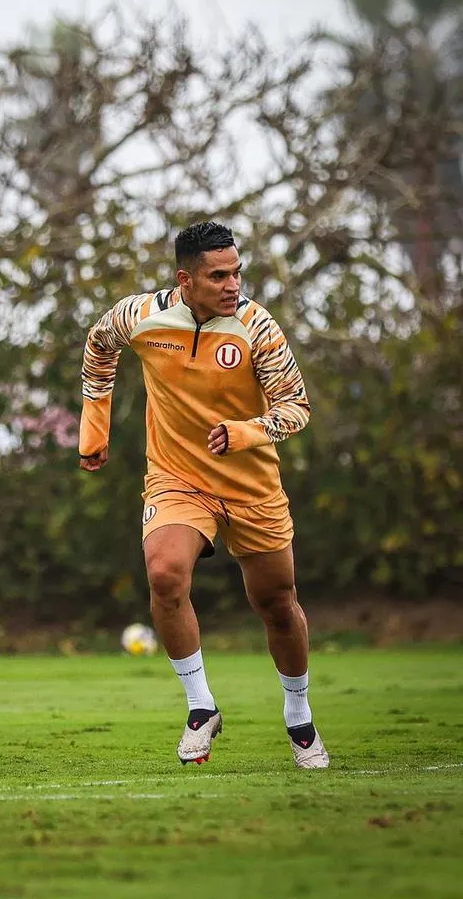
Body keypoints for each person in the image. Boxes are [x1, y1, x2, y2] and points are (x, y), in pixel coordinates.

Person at [78, 221, 328, 769]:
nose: (233, 284)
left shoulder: (257, 327)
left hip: (252, 485)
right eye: (219, 276)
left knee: (277, 603)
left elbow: (296, 407)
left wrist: (247, 432)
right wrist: (94, 426)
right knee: (164, 575)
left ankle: (299, 713)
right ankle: (200, 707)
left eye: (237, 272)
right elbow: (98, 346)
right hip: (177, 478)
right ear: (185, 279)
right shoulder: (141, 316)